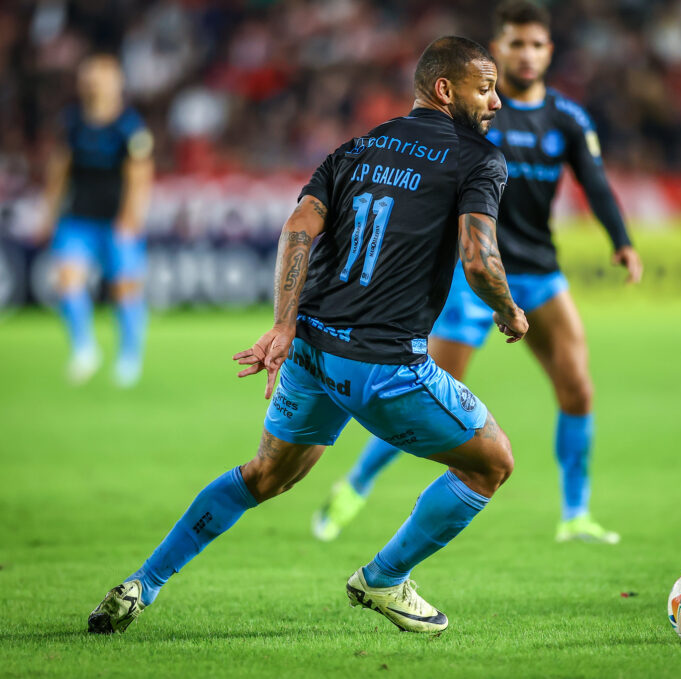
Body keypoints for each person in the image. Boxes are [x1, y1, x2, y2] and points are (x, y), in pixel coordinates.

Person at [87, 36, 527, 636]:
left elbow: (298, 227)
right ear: (445, 89)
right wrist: (509, 310)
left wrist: (283, 324)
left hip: (313, 352)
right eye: (486, 87)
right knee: (491, 463)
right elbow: (479, 261)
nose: (497, 101)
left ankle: (143, 583)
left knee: (266, 475)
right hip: (383, 365)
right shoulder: (478, 158)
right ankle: (384, 578)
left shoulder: (355, 149)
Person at [313, 0, 642, 544]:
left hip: (538, 269)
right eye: (516, 44)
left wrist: (623, 241)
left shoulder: (567, 118)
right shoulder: (476, 110)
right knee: (429, 394)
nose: (527, 54)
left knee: (578, 388)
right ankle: (356, 485)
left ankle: (576, 514)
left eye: (537, 45)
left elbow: (597, 183)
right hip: (474, 273)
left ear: (549, 51)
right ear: (500, 47)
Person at [39, 54, 154, 387]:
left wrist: (131, 217)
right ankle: (84, 349)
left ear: (115, 83)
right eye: (88, 78)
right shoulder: (72, 121)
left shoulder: (129, 125)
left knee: (124, 289)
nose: (93, 84)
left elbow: (140, 174)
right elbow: (58, 170)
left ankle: (129, 357)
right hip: (78, 217)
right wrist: (48, 213)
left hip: (116, 220)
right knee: (67, 280)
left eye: (100, 78)